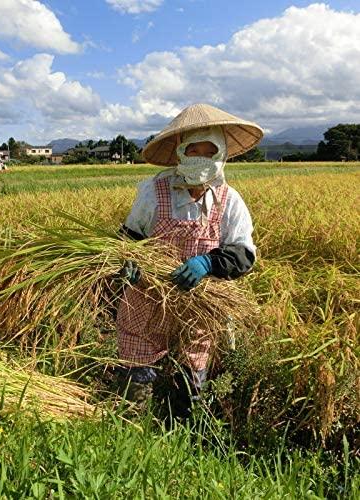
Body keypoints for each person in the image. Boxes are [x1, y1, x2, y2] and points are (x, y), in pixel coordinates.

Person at [116, 103, 263, 415]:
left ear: (221, 154)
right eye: (192, 150)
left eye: (208, 151)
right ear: (180, 153)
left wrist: (207, 263)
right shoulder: (154, 191)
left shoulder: (229, 200)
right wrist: (130, 263)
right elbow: (129, 238)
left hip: (199, 307)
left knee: (190, 383)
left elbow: (243, 253)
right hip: (148, 299)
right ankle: (129, 431)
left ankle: (184, 434)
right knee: (135, 383)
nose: (200, 159)